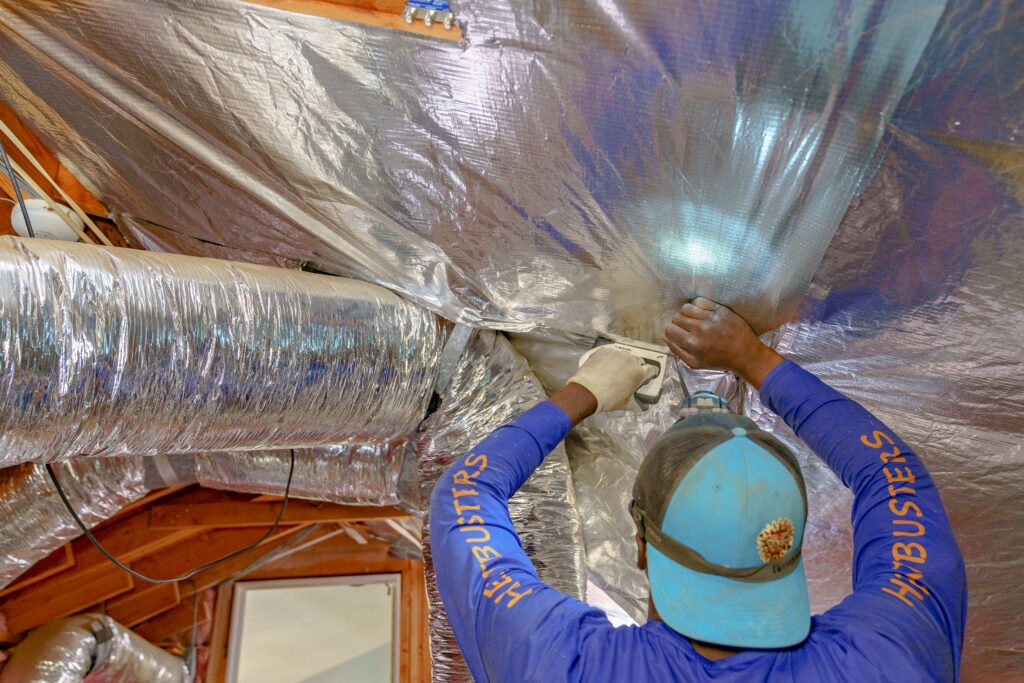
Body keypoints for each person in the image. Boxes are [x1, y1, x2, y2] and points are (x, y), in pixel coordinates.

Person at [430, 297, 966, 682]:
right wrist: (750, 358)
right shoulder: (886, 659)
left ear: (640, 547)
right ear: (788, 545)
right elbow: (895, 478)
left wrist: (587, 391)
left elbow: (466, 496)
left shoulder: (566, 662)